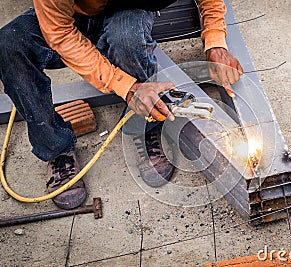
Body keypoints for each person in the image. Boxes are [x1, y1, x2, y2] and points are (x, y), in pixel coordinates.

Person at [0, 0, 243, 210]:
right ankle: (55, 147)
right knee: (10, 44)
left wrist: (215, 40)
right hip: (72, 17)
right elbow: (60, 33)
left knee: (127, 36)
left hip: (125, 11)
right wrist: (127, 86)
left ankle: (144, 126)